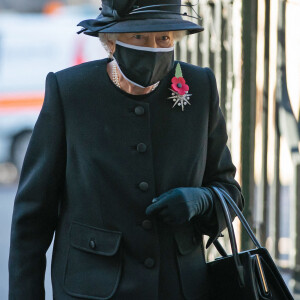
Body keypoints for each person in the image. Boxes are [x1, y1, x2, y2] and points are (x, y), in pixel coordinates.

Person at [8, 0, 245, 299]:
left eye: (163, 38)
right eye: (139, 37)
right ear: (111, 42)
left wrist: (201, 200)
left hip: (179, 288)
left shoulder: (199, 86)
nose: (154, 47)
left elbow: (229, 192)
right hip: (90, 287)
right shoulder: (70, 92)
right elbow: (33, 216)